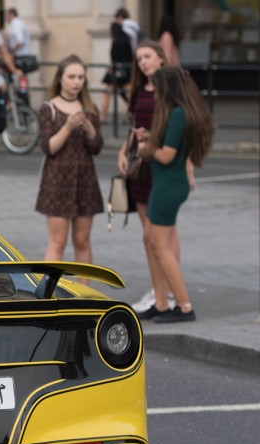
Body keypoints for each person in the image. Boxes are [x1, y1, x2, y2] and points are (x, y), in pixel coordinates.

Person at [134, 66, 213, 322]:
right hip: (167, 184)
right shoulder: (179, 113)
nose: (154, 92)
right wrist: (151, 139)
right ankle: (161, 303)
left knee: (160, 245)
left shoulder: (178, 113)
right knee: (151, 239)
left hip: (168, 185)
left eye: (157, 88)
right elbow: (170, 146)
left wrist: (147, 149)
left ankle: (184, 306)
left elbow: (167, 156)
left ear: (166, 88)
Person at [118, 40, 181, 315]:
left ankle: (169, 291)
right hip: (140, 166)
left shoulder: (170, 90)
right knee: (148, 237)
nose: (143, 62)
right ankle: (159, 292)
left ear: (161, 58)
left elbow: (181, 130)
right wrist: (123, 151)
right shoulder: (139, 91)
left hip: (161, 167)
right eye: (139, 58)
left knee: (162, 235)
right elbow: (135, 128)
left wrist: (187, 168)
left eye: (147, 56)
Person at [35, 55, 104, 273]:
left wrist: (90, 129)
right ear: (60, 78)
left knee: (82, 241)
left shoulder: (90, 108)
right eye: (71, 76)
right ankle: (49, 294)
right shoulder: (49, 108)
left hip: (84, 178)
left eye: (81, 77)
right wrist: (68, 126)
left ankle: (85, 294)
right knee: (58, 241)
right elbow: (48, 147)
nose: (76, 82)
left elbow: (97, 147)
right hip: (57, 180)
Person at [99, 22, 134, 119]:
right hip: (127, 70)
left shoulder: (116, 42)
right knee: (129, 94)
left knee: (107, 93)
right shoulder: (127, 40)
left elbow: (114, 58)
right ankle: (133, 114)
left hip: (116, 71)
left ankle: (102, 116)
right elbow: (130, 56)